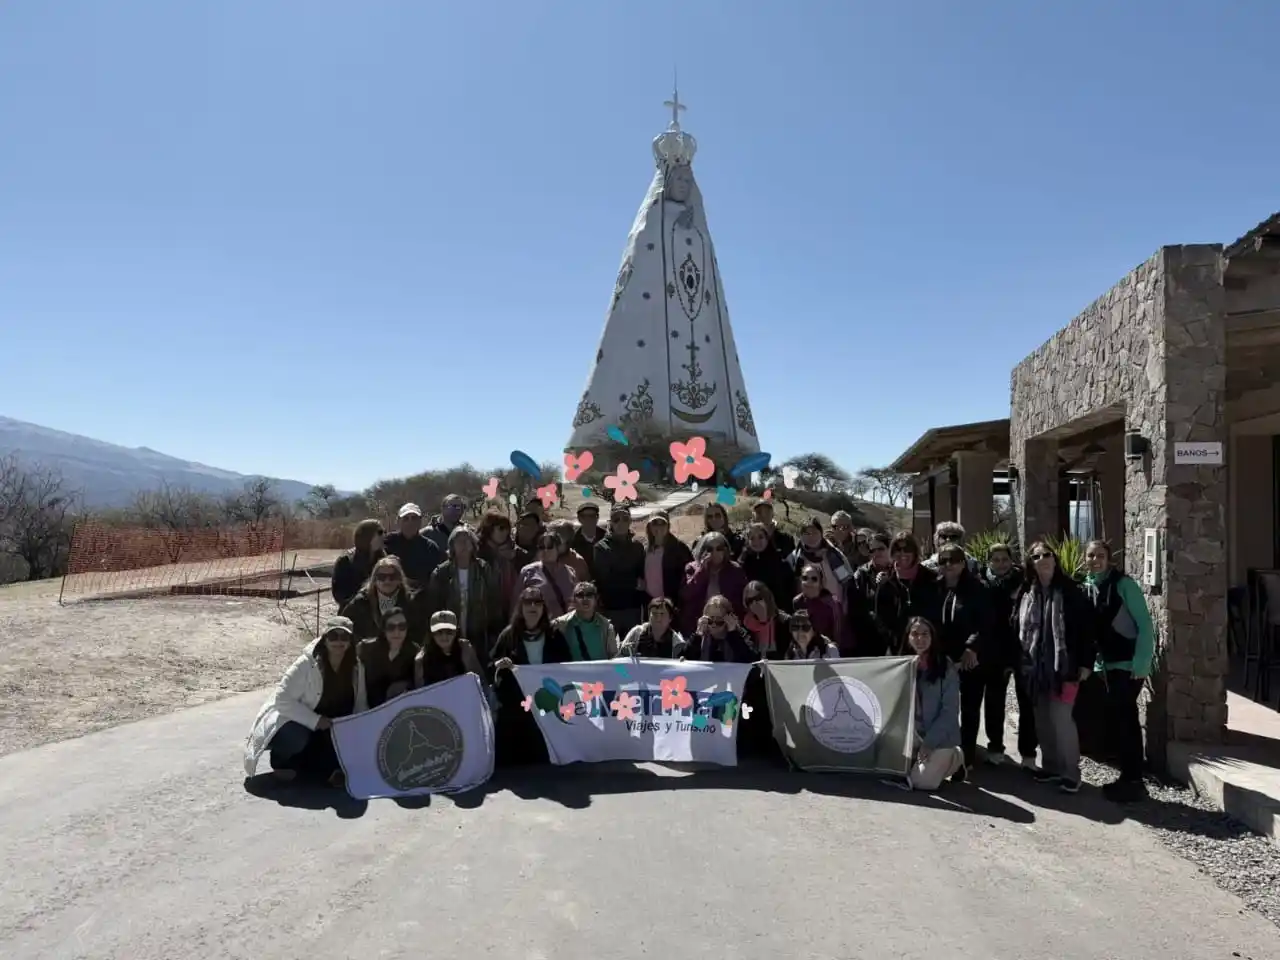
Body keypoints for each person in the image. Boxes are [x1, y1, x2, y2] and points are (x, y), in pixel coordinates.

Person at [243, 616, 368, 788]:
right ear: (324, 639)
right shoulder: (306, 663)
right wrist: (316, 721)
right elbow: (282, 700)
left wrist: (360, 729)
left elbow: (361, 703)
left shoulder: (357, 667)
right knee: (297, 737)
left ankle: (316, 765)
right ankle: (281, 762)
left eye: (344, 637)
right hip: (299, 722)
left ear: (350, 641)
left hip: (332, 725)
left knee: (342, 752)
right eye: (333, 636)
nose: (338, 642)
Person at [1014, 540, 1097, 794]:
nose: (1042, 559)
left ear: (1055, 559)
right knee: (1042, 720)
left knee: (1061, 720)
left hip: (1065, 667)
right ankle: (1050, 767)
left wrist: (1086, 663)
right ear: (1030, 563)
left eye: (1047, 554)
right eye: (1036, 556)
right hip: (1035, 668)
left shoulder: (1071, 592)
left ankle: (1071, 773)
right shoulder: (1027, 592)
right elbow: (1016, 627)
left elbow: (1087, 630)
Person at [1083, 539, 1156, 802]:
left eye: (1100, 555)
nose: (1095, 560)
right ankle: (1127, 778)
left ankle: (1134, 781)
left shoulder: (1124, 585)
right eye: (1091, 555)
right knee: (1118, 721)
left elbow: (1145, 625)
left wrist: (1142, 664)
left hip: (1128, 665)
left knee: (1126, 722)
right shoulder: (1090, 586)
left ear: (1109, 559)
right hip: (1108, 666)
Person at [490, 588, 572, 766]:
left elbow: (567, 668)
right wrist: (498, 665)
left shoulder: (554, 635)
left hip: (547, 705)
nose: (532, 607)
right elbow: (490, 666)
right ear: (521, 607)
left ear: (543, 608)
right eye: (528, 602)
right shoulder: (509, 635)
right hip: (516, 708)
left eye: (537, 603)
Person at [934, 541, 993, 776]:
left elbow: (986, 623)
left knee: (969, 709)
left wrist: (972, 648)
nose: (948, 565)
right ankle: (942, 754)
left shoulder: (978, 588)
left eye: (954, 560)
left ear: (963, 563)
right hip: (941, 657)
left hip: (969, 659)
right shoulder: (934, 587)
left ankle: (966, 757)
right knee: (943, 708)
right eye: (943, 560)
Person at [980, 543, 1036, 769]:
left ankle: (1029, 754)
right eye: (996, 560)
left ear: (1012, 560)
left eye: (1004, 559)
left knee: (1027, 703)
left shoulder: (1024, 582)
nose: (1001, 564)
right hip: (994, 651)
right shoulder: (983, 584)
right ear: (989, 562)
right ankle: (995, 748)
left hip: (1022, 650)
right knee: (994, 702)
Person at [898, 616, 965, 791]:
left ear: (932, 637)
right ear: (908, 637)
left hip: (938, 738)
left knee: (921, 782)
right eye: (915, 634)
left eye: (925, 634)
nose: (920, 638)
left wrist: (929, 743)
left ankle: (955, 758)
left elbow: (950, 712)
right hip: (911, 736)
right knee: (890, 771)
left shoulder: (945, 667)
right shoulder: (899, 665)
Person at [425, 526, 504, 667]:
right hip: (449, 632)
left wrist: (494, 632)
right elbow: (434, 605)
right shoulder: (441, 573)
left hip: (479, 632)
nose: (463, 544)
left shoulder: (483, 569)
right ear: (452, 546)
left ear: (473, 545)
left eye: (467, 540)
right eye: (459, 541)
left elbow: (494, 601)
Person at [873, 532, 939, 658]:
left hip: (929, 649)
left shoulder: (932, 579)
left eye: (907, 549)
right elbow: (881, 619)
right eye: (898, 550)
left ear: (915, 552)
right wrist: (894, 640)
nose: (902, 553)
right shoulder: (886, 583)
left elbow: (938, 614)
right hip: (899, 650)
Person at [340, 555, 422, 644]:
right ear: (374, 580)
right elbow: (344, 627)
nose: (387, 581)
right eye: (382, 577)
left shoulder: (411, 602)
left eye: (392, 577)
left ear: (399, 579)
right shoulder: (361, 602)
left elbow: (419, 633)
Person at [679, 532, 749, 635]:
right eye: (709, 549)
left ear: (725, 550)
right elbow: (686, 594)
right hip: (700, 626)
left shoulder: (735, 569)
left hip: (727, 626)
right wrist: (702, 571)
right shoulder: (692, 568)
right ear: (703, 550)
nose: (714, 552)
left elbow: (744, 599)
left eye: (719, 548)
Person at [593, 505, 647, 635]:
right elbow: (605, 580)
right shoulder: (601, 547)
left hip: (633, 609)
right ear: (611, 523)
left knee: (633, 645)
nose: (621, 523)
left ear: (630, 521)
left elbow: (642, 577)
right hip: (611, 609)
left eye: (625, 519)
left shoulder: (637, 547)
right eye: (616, 519)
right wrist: (633, 583)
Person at [357, 606, 418, 708]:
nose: (397, 632)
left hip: (398, 708)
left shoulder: (414, 652)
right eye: (391, 627)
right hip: (368, 709)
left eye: (402, 627)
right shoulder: (365, 648)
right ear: (383, 629)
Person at [414, 610, 487, 688]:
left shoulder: (465, 649)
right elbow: (420, 690)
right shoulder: (422, 659)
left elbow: (480, 681)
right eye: (439, 632)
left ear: (456, 632)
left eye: (449, 632)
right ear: (431, 634)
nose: (444, 637)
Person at [847, 532, 893, 655]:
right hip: (868, 636)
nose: (876, 553)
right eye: (872, 550)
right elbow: (854, 608)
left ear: (889, 549)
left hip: (894, 634)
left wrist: (890, 583)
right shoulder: (861, 574)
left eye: (881, 549)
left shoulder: (898, 571)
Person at [381, 503, 445, 590]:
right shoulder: (387, 542)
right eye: (406, 518)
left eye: (414, 518)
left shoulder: (430, 547)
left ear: (420, 521)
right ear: (398, 521)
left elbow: (435, 578)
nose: (410, 522)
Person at [513, 532, 577, 619]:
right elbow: (516, 603)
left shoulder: (570, 572)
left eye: (550, 547)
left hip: (565, 623)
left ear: (558, 549)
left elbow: (577, 600)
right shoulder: (528, 571)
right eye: (541, 547)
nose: (545, 551)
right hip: (538, 623)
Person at [552, 582, 620, 661]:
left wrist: (621, 669)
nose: (585, 599)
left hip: (600, 669)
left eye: (589, 595)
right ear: (574, 600)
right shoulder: (560, 624)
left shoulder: (606, 626)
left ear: (596, 599)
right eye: (580, 595)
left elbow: (614, 657)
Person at [642, 511, 695, 612]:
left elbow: (691, 574)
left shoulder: (679, 548)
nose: (659, 527)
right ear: (649, 527)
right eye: (655, 523)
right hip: (650, 604)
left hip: (672, 604)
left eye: (662, 523)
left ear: (668, 526)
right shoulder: (646, 549)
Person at [738, 521, 796, 614]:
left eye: (760, 537)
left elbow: (790, 592)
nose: (756, 541)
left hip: (778, 614)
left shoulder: (781, 563)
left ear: (767, 538)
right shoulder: (743, 564)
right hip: (752, 615)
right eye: (752, 538)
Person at [330, 519, 385, 609]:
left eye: (384, 532)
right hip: (353, 612)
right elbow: (340, 595)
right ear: (367, 536)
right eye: (380, 532)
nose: (383, 536)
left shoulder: (383, 558)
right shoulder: (346, 561)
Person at [793, 561, 846, 652]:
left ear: (821, 583)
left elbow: (838, 634)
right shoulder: (797, 602)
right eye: (805, 578)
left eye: (814, 579)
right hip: (804, 650)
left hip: (828, 650)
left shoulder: (833, 604)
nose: (808, 582)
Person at [477, 510, 519, 622]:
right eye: (501, 528)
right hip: (485, 605)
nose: (504, 532)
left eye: (507, 529)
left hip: (509, 605)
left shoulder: (513, 550)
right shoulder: (479, 552)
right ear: (489, 529)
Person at [690, 595, 759, 663]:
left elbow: (750, 659)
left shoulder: (741, 633)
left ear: (729, 618)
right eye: (710, 620)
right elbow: (687, 658)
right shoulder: (700, 634)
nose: (714, 625)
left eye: (718, 620)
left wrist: (733, 634)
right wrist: (697, 636)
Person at [618, 597, 689, 658]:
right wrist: (627, 652)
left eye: (662, 614)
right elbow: (619, 661)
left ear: (670, 618)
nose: (658, 618)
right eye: (654, 613)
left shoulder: (677, 643)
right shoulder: (636, 633)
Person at [742, 581, 791, 659]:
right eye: (749, 601)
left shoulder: (784, 621)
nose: (754, 603)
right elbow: (747, 655)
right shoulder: (746, 624)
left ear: (767, 597)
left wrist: (764, 619)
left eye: (758, 598)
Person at [547, 519, 591, 584]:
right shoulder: (542, 556)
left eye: (557, 541)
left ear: (568, 542)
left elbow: (586, 586)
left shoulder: (577, 562)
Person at [569, 502, 604, 582]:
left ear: (597, 518)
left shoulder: (606, 537)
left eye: (592, 516)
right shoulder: (572, 540)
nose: (589, 520)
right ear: (579, 519)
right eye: (584, 516)